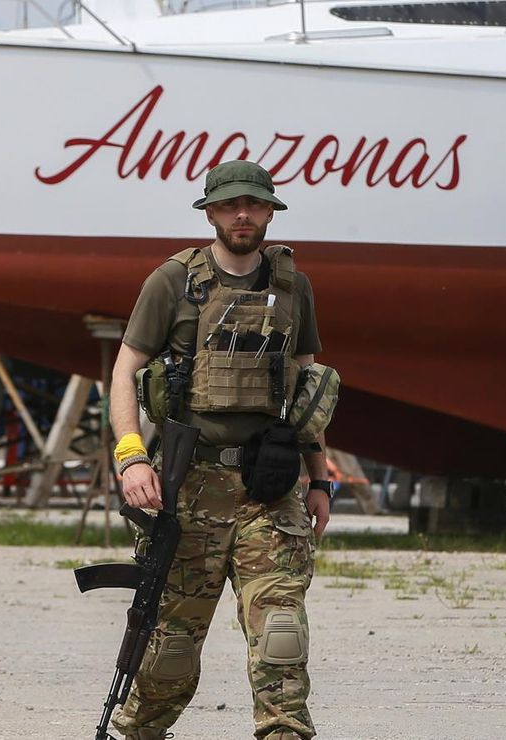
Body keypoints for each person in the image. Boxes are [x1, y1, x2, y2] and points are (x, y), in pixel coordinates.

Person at [108, 160, 331, 740]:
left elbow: (308, 389)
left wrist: (321, 479)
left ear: (269, 211)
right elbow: (125, 371)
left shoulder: (292, 285)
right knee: (169, 654)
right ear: (210, 212)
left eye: (254, 205)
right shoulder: (173, 281)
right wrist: (132, 458)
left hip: (269, 489)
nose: (242, 215)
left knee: (283, 643)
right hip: (189, 488)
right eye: (231, 205)